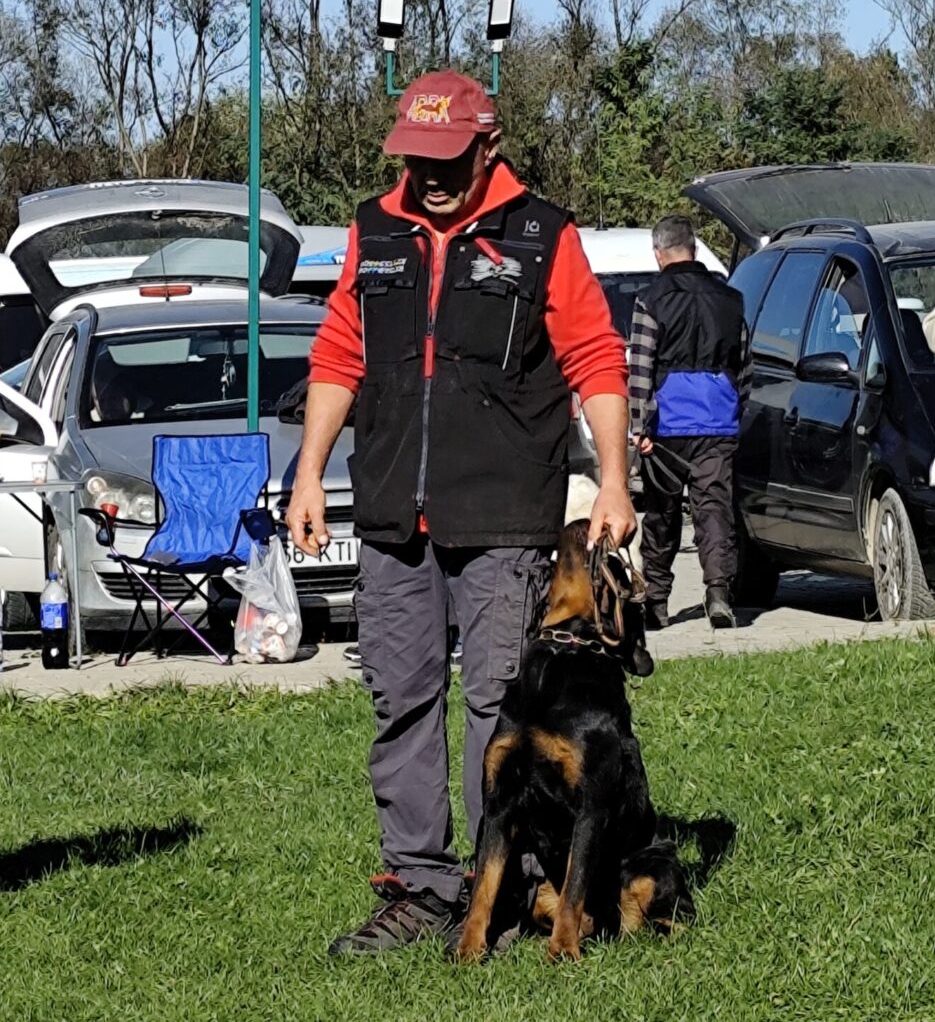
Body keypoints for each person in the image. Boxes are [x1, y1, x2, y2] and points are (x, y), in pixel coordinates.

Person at [286, 69, 635, 955]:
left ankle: (512, 889)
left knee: (498, 708)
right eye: (416, 158)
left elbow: (594, 356)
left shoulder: (542, 233)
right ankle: (421, 887)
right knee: (400, 700)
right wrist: (309, 471)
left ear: (489, 145)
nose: (431, 176)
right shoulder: (376, 230)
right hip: (393, 514)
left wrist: (618, 481)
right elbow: (338, 351)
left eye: (447, 159)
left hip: (505, 516)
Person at [628, 214, 751, 630]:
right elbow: (745, 364)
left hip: (667, 425)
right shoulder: (731, 298)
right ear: (694, 250)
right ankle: (718, 593)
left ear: (658, 254)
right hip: (718, 420)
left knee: (661, 513)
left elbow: (640, 367)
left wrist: (639, 425)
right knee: (714, 508)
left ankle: (657, 603)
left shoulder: (650, 299)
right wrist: (737, 409)